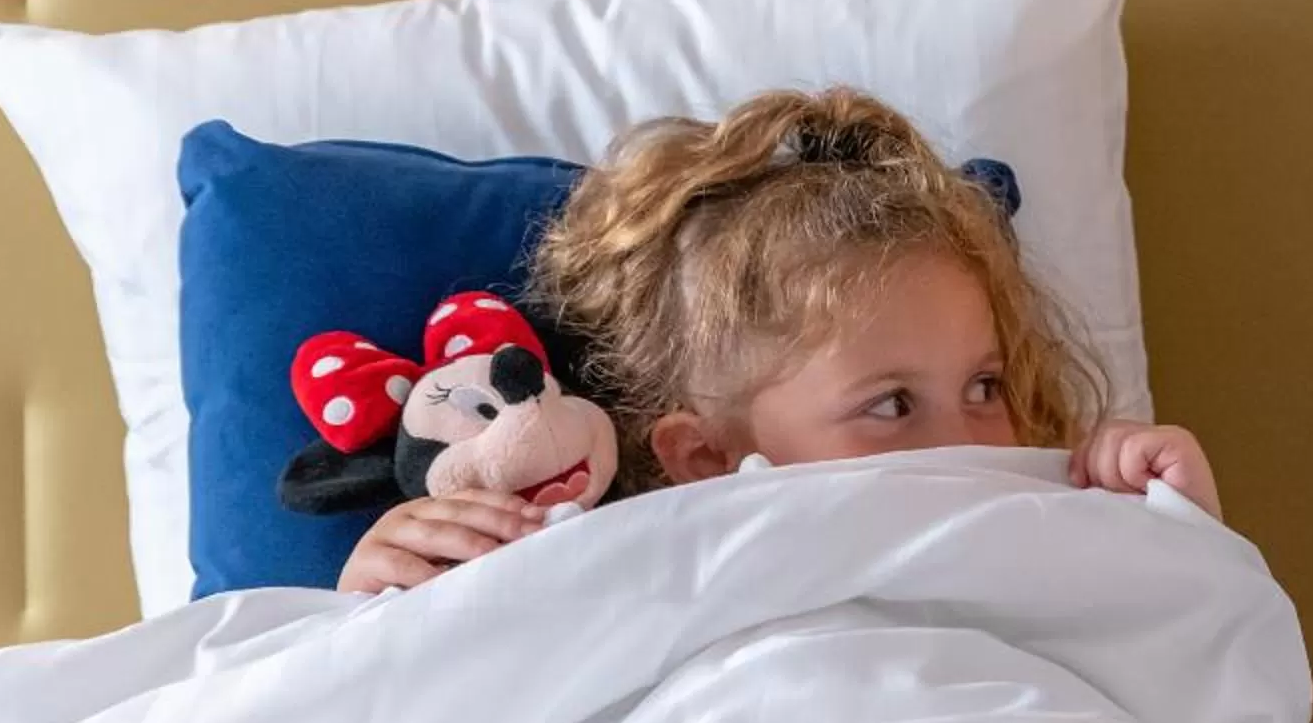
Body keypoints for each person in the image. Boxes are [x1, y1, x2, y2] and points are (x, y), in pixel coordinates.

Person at [339, 87, 1215, 591]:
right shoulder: (623, 568)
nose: (970, 441)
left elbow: (1197, 675)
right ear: (707, 458)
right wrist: (381, 603)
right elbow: (450, 719)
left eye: (985, 387)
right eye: (892, 404)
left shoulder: (1051, 533)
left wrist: (1180, 533)